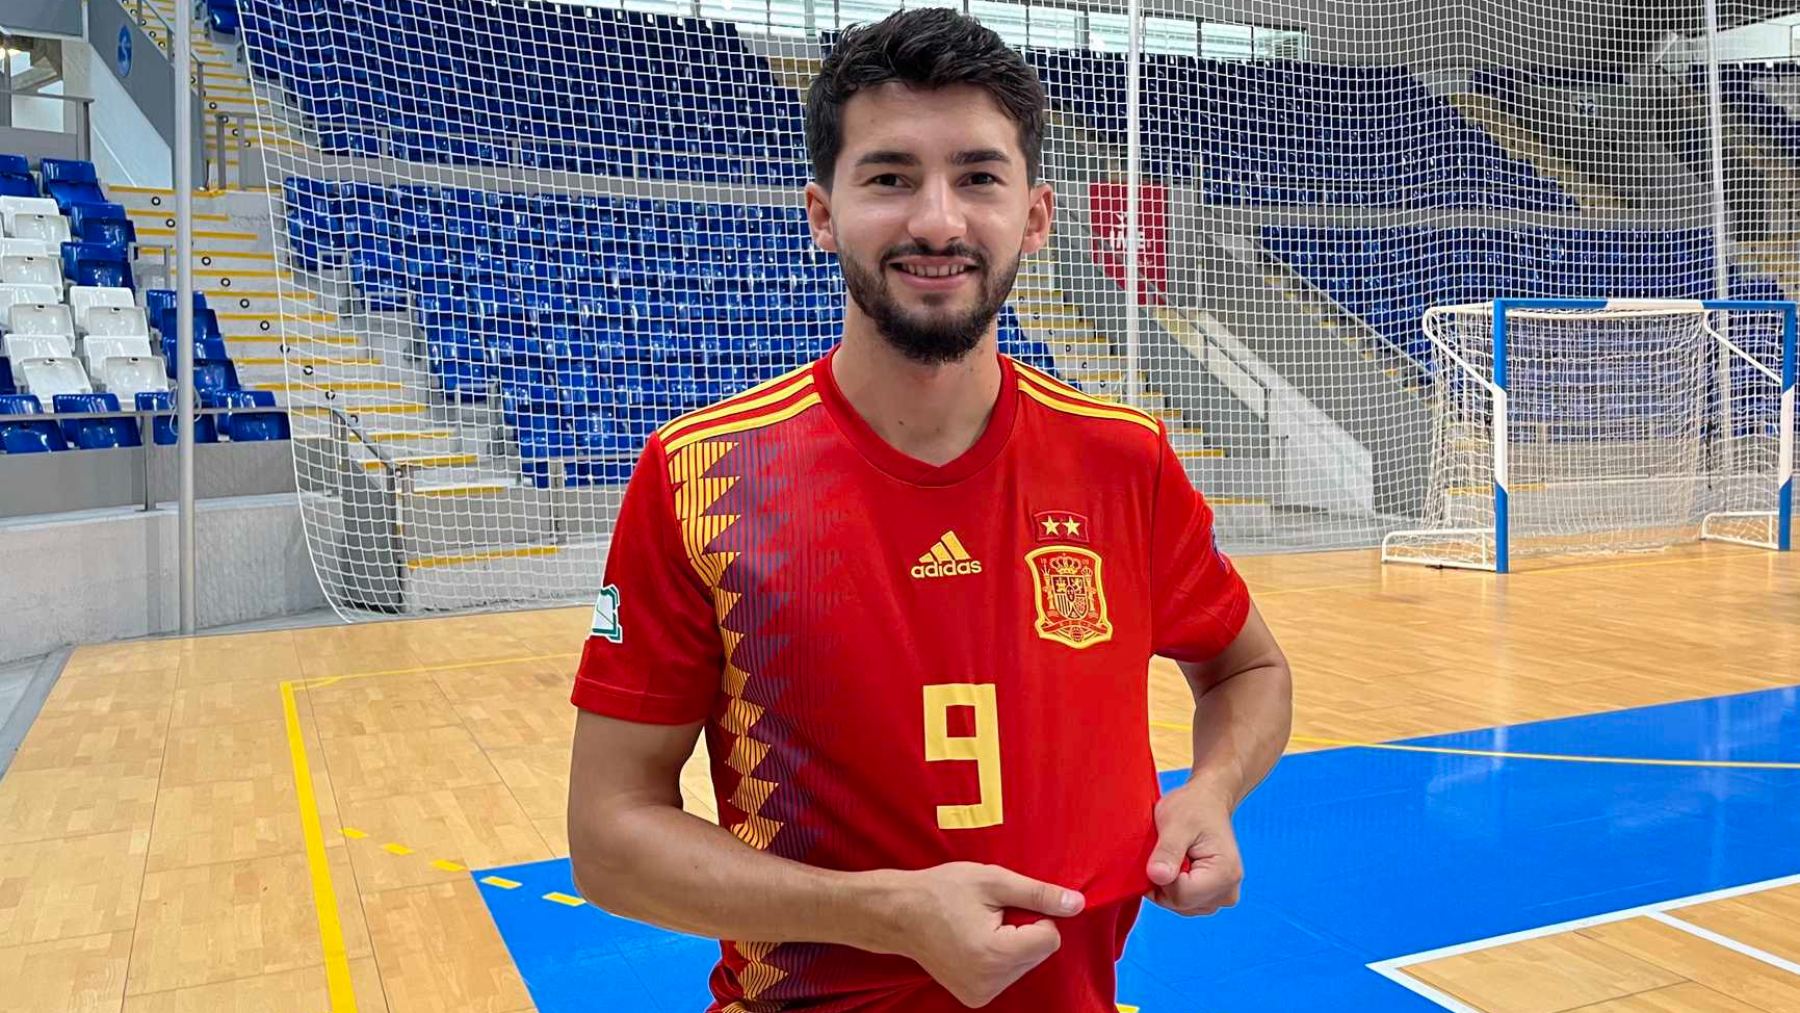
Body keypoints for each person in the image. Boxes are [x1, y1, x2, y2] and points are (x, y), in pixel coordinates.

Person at [566, 9, 1293, 1010]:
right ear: (823, 211)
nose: (939, 221)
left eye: (979, 177)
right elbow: (608, 835)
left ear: (1035, 216)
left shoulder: (1125, 460)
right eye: (890, 176)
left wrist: (1208, 793)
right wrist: (889, 911)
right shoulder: (699, 475)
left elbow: (1247, 666)